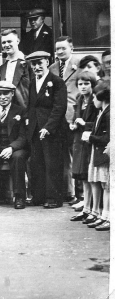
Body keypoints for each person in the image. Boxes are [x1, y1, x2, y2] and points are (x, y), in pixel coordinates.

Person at [25, 51, 68, 208]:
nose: (37, 67)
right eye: (34, 64)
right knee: (37, 163)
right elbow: (31, 106)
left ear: (47, 62)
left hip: (52, 130)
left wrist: (48, 127)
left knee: (52, 164)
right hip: (35, 129)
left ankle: (53, 198)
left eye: (40, 63)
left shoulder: (56, 82)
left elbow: (59, 107)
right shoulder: (31, 82)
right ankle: (39, 196)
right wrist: (29, 125)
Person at [0, 82, 29, 209]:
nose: (2, 97)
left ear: (12, 94)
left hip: (14, 149)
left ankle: (19, 196)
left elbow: (23, 136)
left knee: (18, 157)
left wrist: (12, 147)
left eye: (6, 94)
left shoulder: (20, 111)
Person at [49, 36, 83, 205]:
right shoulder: (52, 68)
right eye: (57, 49)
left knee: (76, 154)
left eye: (63, 48)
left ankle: (80, 194)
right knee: (62, 156)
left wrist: (77, 116)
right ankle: (68, 192)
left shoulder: (79, 66)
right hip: (57, 118)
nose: (60, 51)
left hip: (73, 116)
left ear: (72, 48)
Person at [68, 71, 99, 221]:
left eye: (86, 83)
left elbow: (102, 124)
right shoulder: (80, 99)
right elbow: (76, 118)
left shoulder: (96, 100)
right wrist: (73, 124)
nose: (83, 87)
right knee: (83, 177)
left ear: (92, 85)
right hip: (79, 141)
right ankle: (86, 208)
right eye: (80, 84)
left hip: (90, 142)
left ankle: (93, 209)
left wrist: (84, 124)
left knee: (90, 176)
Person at [82, 81, 110, 231]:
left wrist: (91, 137)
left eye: (94, 97)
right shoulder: (103, 112)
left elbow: (108, 138)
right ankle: (101, 215)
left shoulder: (108, 114)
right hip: (98, 153)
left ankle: (106, 216)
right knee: (102, 184)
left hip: (104, 154)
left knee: (106, 185)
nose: (93, 100)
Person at [0, 29, 31, 108]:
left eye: (9, 41)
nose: (6, 45)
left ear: (17, 41)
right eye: (4, 42)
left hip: (25, 109)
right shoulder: (3, 67)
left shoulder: (28, 62)